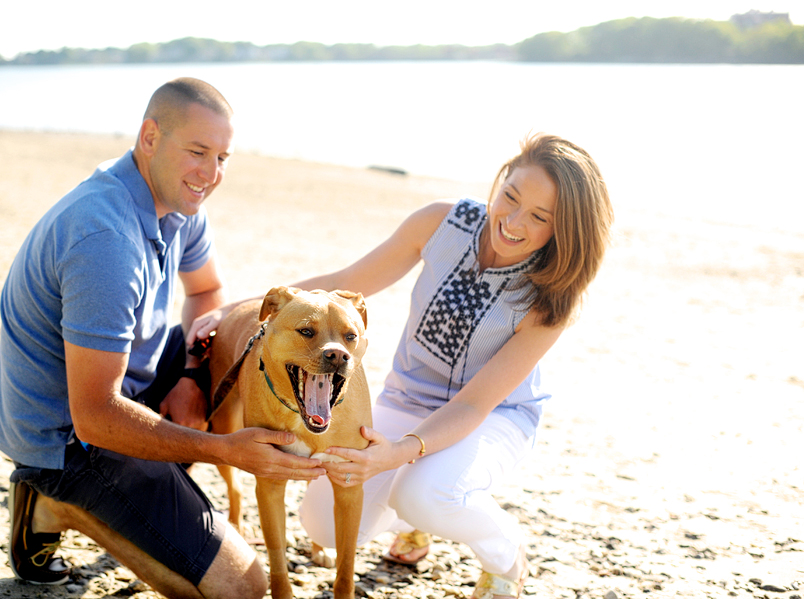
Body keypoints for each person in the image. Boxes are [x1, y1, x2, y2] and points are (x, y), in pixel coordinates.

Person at [193, 134, 612, 598]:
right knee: (322, 525)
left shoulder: (552, 296)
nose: (512, 222)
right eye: (510, 197)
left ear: (563, 229)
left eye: (539, 217)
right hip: (406, 397)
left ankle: (507, 554)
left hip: (493, 418)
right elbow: (345, 283)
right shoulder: (442, 222)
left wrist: (395, 454)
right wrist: (235, 308)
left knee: (428, 494)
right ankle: (420, 512)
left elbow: (472, 406)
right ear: (501, 181)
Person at [0, 78, 326, 599]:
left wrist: (189, 376)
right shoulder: (106, 241)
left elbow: (206, 291)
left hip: (112, 390)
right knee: (243, 590)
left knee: (219, 350)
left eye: (223, 157)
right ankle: (55, 503)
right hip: (65, 436)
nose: (211, 175)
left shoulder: (179, 203)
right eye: (198, 152)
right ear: (149, 137)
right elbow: (95, 416)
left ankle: (134, 495)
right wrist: (225, 451)